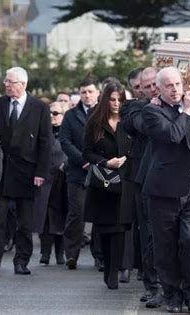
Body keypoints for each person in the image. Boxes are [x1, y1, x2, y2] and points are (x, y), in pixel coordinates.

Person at [142, 67, 190, 313]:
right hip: (164, 189)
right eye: (168, 85)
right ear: (159, 89)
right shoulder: (152, 112)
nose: (175, 89)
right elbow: (173, 135)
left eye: (178, 83)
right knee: (165, 245)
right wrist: (187, 111)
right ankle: (171, 295)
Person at [0, 67, 52, 276]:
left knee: (24, 222)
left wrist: (41, 172)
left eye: (10, 81)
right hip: (1, 171)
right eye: (5, 81)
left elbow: (45, 142)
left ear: (22, 84)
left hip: (27, 172)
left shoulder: (39, 107)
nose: (6, 84)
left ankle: (21, 261)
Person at [83, 82, 132, 289]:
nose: (116, 104)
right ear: (105, 100)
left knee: (120, 229)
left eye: (120, 100)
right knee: (104, 229)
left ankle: (114, 272)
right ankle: (107, 266)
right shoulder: (95, 122)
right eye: (112, 99)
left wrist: (127, 160)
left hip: (124, 183)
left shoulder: (129, 122)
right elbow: (86, 152)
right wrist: (105, 162)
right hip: (102, 184)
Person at [120, 66, 162, 307]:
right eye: (146, 87)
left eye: (156, 84)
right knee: (148, 233)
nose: (153, 89)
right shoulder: (135, 106)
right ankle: (152, 284)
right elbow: (138, 124)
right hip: (143, 177)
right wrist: (154, 106)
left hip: (172, 175)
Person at [59, 78, 101, 270]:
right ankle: (71, 255)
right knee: (76, 213)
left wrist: (97, 161)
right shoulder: (70, 115)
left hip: (101, 170)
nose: (87, 95)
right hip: (77, 172)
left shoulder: (104, 113)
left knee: (101, 214)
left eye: (90, 91)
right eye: (84, 92)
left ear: (97, 93)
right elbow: (65, 142)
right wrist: (83, 161)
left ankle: (100, 255)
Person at [33, 101, 69, 265]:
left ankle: (60, 254)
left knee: (60, 217)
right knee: (44, 218)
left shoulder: (67, 132)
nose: (51, 117)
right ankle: (45, 253)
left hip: (63, 179)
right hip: (45, 180)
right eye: (49, 113)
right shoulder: (41, 132)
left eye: (56, 113)